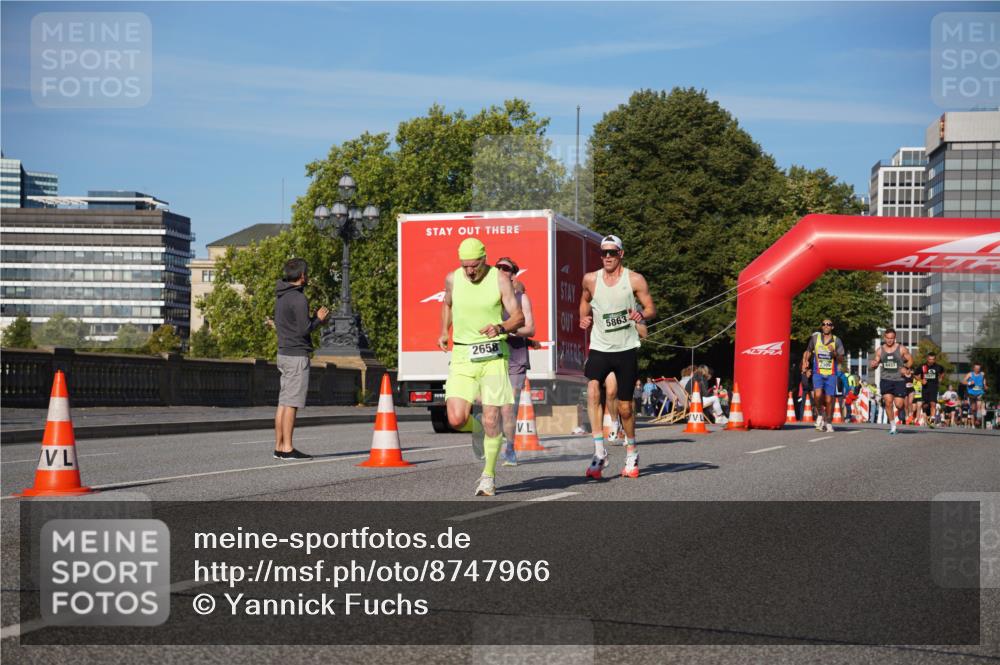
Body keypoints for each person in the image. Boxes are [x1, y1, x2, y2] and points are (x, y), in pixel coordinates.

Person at [438, 238, 524, 497]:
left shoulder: (500, 280)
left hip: (494, 356)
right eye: (465, 266)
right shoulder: (453, 278)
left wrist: (499, 327)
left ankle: (488, 476)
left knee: (491, 418)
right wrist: (444, 330)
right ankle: (488, 428)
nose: (469, 271)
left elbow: (518, 317)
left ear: (484, 260)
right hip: (463, 354)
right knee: (455, 418)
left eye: (474, 266)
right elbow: (447, 303)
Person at [579, 234, 656, 479]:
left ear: (621, 254)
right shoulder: (591, 279)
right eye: (604, 253)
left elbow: (651, 308)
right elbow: (584, 301)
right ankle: (599, 452)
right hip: (600, 346)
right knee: (593, 389)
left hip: (625, 348)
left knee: (624, 408)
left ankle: (631, 451)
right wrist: (584, 317)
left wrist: (641, 316)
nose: (608, 257)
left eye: (612, 252)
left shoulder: (634, 279)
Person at [273, 258, 330, 460]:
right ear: (302, 276)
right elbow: (303, 330)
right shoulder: (298, 299)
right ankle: (288, 448)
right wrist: (319, 319)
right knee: (291, 403)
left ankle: (279, 446)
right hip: (296, 355)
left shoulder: (281, 296)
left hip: (283, 353)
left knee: (283, 402)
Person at [494, 257, 536, 467]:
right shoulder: (490, 296)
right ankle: (494, 441)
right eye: (498, 267)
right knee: (490, 406)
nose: (502, 270)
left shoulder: (521, 298)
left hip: (515, 357)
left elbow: (530, 329)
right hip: (492, 356)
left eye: (506, 268)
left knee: (509, 406)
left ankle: (509, 448)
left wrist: (505, 329)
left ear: (513, 273)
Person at [801, 318, 845, 433]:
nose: (826, 326)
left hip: (831, 374)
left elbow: (841, 359)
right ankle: (820, 414)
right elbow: (808, 351)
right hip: (818, 372)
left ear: (832, 327)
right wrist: (805, 361)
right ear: (821, 327)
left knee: (829, 400)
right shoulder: (815, 338)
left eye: (829, 324)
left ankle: (829, 422)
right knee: (818, 394)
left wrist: (834, 353)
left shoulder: (837, 341)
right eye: (824, 324)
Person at [869, 328, 913, 435]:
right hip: (886, 379)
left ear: (895, 338)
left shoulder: (901, 348)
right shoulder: (880, 350)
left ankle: (901, 409)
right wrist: (874, 364)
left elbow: (911, 360)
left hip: (899, 380)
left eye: (892, 338)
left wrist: (906, 368)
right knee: (888, 403)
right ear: (884, 337)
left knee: (898, 404)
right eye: (888, 338)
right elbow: (876, 362)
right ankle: (893, 426)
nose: (889, 340)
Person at [921, 352, 944, 427]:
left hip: (934, 388)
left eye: (933, 359)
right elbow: (915, 375)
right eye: (930, 359)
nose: (931, 361)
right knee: (925, 405)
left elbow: (942, 372)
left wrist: (940, 378)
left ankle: (931, 422)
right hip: (925, 388)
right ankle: (927, 415)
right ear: (927, 359)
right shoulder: (922, 366)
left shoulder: (938, 367)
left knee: (933, 404)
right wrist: (921, 380)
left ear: (935, 360)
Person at [964, 363, 987, 428]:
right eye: (976, 368)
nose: (977, 369)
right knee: (973, 409)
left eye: (979, 368)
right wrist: (969, 383)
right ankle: (973, 423)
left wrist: (985, 385)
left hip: (980, 392)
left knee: (979, 406)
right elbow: (963, 381)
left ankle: (978, 420)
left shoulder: (982, 374)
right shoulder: (970, 374)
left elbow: (984, 380)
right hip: (971, 393)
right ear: (974, 368)